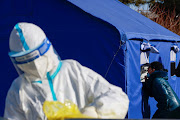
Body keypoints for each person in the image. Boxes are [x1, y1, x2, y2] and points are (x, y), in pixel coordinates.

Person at [4, 22, 129, 120]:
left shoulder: (72, 71)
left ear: (46, 49)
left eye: (33, 58)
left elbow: (117, 97)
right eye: (24, 61)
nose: (33, 65)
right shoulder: (19, 89)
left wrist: (94, 113)